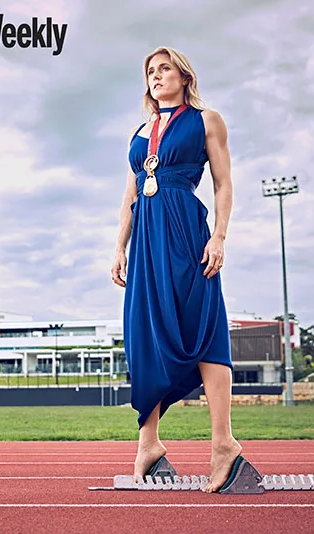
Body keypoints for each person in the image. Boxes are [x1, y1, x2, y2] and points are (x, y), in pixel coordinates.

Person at [111, 46, 241, 493]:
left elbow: (224, 185)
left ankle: (223, 442)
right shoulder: (138, 133)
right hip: (146, 242)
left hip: (187, 231)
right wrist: (119, 247)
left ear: (184, 76)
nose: (156, 75)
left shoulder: (206, 120)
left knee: (205, 327)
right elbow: (130, 196)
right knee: (146, 335)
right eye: (150, 70)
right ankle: (148, 443)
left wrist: (219, 236)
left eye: (165, 68)